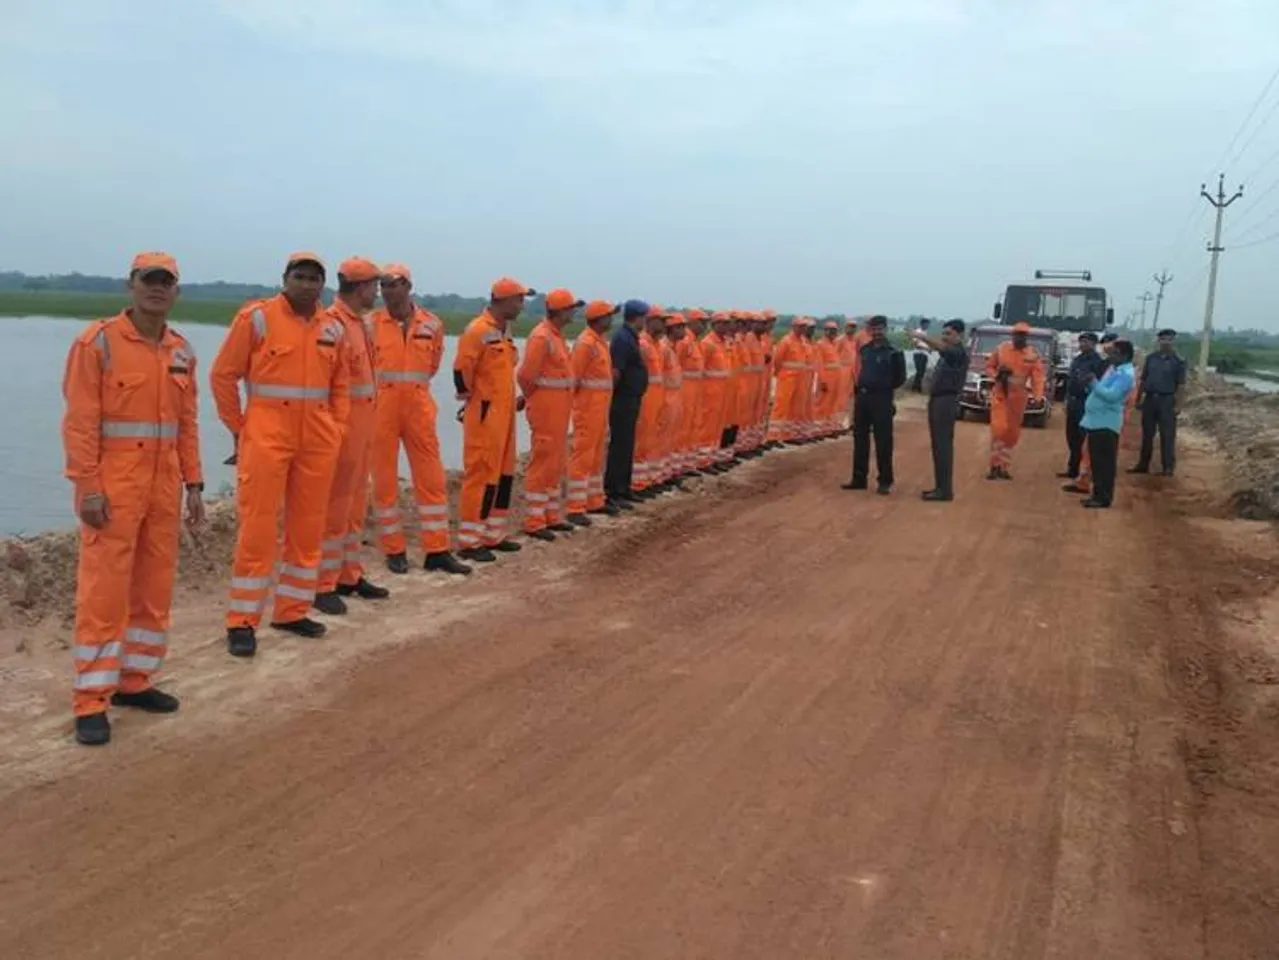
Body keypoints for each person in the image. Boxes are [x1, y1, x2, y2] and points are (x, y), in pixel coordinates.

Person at [62, 252, 205, 746]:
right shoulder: (96, 343)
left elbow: (187, 425)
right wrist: (88, 486)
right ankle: (90, 700)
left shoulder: (182, 351)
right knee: (104, 592)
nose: (157, 289)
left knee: (153, 585)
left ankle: (135, 680)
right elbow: (80, 423)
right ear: (132, 285)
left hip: (164, 482)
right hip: (116, 484)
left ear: (176, 293)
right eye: (150, 280)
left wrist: (195, 485)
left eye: (166, 282)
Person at [212, 252, 349, 658]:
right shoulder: (256, 318)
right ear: (285, 279)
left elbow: (341, 384)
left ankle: (291, 610)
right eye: (300, 276)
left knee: (308, 529)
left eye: (314, 278)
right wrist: (240, 427)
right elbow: (223, 375)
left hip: (318, 438)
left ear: (322, 285)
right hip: (267, 434)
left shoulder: (332, 327)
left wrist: (337, 428)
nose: (307, 284)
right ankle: (242, 622)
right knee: (257, 530)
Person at [370, 264, 471, 576]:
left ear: (408, 286)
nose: (389, 291)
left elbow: (433, 364)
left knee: (431, 479)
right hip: (380, 409)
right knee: (384, 481)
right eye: (383, 285)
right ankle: (394, 549)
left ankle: (437, 549)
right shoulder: (369, 324)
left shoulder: (432, 324)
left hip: (418, 407)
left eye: (394, 284)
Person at [315, 257, 391, 615]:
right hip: (343, 427)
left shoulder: (360, 325)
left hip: (364, 425)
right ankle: (322, 582)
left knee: (355, 503)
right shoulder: (333, 325)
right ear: (360, 287)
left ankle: (349, 573)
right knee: (334, 506)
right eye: (374, 286)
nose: (377, 292)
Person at [453, 277, 530, 562]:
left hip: (504, 413)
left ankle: (493, 533)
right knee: (482, 473)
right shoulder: (478, 331)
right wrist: (472, 402)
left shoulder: (504, 332)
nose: (522, 305)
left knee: (503, 474)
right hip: (486, 414)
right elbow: (462, 370)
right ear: (503, 299)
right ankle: (470, 540)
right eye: (519, 299)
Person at [518, 288, 581, 541]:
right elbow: (525, 376)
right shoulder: (541, 337)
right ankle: (534, 520)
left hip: (557, 409)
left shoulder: (556, 337)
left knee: (555, 461)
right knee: (543, 460)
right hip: (545, 409)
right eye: (570, 308)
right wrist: (533, 397)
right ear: (560, 311)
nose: (573, 312)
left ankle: (551, 515)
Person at [566, 300, 619, 522]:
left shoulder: (600, 342)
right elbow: (574, 378)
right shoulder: (586, 343)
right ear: (599, 318)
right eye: (609, 315)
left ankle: (594, 500)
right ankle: (575, 507)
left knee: (596, 456)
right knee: (583, 456)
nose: (612, 319)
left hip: (599, 408)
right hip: (587, 409)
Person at [843, 315, 906, 494]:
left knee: (883, 442)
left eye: (880, 329)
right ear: (869, 330)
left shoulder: (894, 352)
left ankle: (885, 481)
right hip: (863, 399)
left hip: (882, 399)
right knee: (860, 439)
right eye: (874, 329)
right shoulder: (865, 350)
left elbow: (899, 378)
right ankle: (859, 478)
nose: (877, 333)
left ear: (886, 329)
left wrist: (883, 388)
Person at [910, 319, 969, 502]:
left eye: (948, 334)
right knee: (938, 446)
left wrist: (922, 337)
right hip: (938, 400)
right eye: (943, 334)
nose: (944, 337)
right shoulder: (949, 354)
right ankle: (940, 487)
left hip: (946, 401)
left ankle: (944, 490)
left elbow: (942, 349)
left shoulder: (957, 353)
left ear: (959, 336)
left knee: (942, 446)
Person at [1080, 339, 1137, 508]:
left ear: (1124, 355)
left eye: (1114, 353)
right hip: (1098, 421)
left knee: (1104, 463)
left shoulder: (1125, 375)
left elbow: (1111, 396)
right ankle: (1098, 494)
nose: (1110, 356)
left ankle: (1103, 497)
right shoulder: (1116, 370)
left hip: (1106, 423)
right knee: (1098, 463)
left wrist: (1093, 383)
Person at [985, 321, 1045, 480]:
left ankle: (1003, 467)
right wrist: (997, 374)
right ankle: (994, 465)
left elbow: (1038, 377)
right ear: (1012, 336)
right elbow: (989, 367)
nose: (1020, 338)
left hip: (1018, 398)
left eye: (1023, 335)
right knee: (999, 428)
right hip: (1000, 395)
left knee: (1012, 433)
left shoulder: (1032, 354)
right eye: (1017, 335)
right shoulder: (1001, 349)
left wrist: (1038, 396)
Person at [604, 299, 650, 507]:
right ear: (637, 317)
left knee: (627, 444)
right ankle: (614, 490)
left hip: (631, 398)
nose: (646, 320)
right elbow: (616, 371)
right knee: (620, 445)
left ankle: (623, 488)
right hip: (623, 399)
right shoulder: (623, 339)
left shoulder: (631, 337)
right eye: (644, 317)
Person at [1131, 328, 1187, 476]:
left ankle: (1168, 467)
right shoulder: (1151, 358)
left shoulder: (1179, 361)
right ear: (1158, 341)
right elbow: (1143, 380)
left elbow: (1181, 385)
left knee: (1167, 435)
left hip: (1167, 400)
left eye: (1169, 339)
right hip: (1150, 399)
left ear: (1173, 341)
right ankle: (1143, 464)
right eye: (1163, 339)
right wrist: (1138, 399)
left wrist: (1178, 405)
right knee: (1147, 434)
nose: (1166, 342)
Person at [1059, 332, 1106, 480]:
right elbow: (1071, 381)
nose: (1083, 344)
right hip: (1073, 401)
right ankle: (1072, 468)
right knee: (1071, 436)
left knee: (1083, 437)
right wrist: (1066, 400)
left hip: (1086, 401)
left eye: (1087, 342)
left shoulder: (1098, 362)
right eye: (1081, 342)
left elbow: (1099, 382)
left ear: (1094, 344)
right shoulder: (1077, 359)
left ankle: (1082, 471)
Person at [632, 305, 667, 497]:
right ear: (650, 321)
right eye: (660, 320)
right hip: (646, 398)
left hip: (657, 398)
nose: (663, 324)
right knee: (642, 440)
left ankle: (647, 480)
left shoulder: (657, 345)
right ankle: (637, 484)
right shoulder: (643, 344)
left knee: (652, 439)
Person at [699, 311, 735, 472]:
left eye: (727, 324)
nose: (726, 327)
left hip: (723, 391)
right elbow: (701, 369)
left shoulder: (724, 343)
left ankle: (713, 458)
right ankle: (703, 461)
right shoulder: (708, 343)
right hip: (710, 392)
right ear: (714, 325)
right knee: (708, 426)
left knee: (717, 426)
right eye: (722, 323)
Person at [675, 308, 707, 477]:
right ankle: (678, 466)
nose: (704, 326)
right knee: (683, 428)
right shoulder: (685, 342)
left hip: (695, 390)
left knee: (692, 426)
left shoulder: (695, 342)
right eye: (702, 322)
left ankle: (687, 463)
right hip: (685, 391)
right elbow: (676, 366)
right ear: (693, 322)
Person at [658, 312, 687, 486]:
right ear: (671, 329)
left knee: (671, 437)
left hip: (675, 397)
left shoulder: (673, 348)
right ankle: (659, 475)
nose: (684, 330)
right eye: (680, 327)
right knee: (662, 438)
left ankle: (667, 472)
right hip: (666, 398)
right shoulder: (663, 349)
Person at [816, 321, 843, 436]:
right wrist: (823, 380)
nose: (832, 332)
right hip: (827, 378)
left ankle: (829, 428)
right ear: (825, 331)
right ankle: (819, 429)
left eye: (834, 330)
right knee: (823, 403)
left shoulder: (834, 344)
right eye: (830, 330)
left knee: (833, 404)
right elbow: (819, 364)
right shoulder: (820, 344)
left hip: (836, 378)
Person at [911, 318, 933, 392]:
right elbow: (916, 344)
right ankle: (915, 388)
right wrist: (926, 348)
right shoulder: (918, 332)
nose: (928, 326)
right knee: (919, 371)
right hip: (918, 353)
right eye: (927, 324)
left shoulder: (926, 333)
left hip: (924, 354)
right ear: (922, 324)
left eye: (928, 324)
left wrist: (929, 348)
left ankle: (917, 387)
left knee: (922, 372)